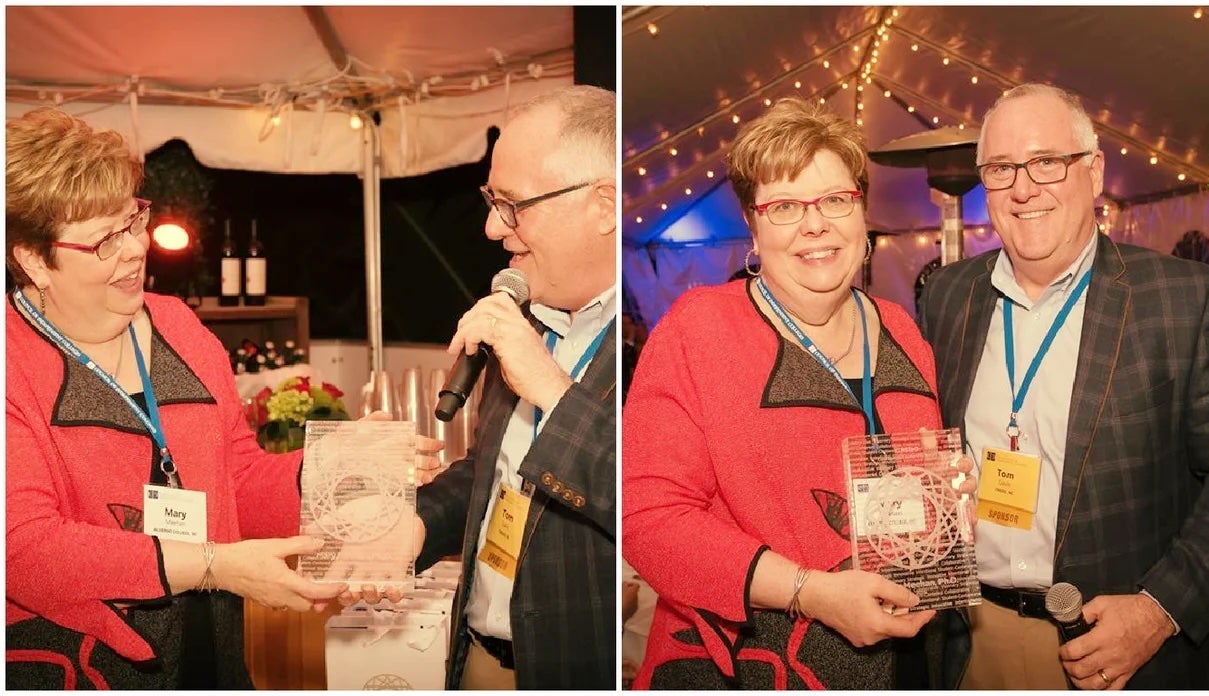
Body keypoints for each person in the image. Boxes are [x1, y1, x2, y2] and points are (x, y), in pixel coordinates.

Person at [622, 97, 975, 689]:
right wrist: (809, 592)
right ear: (753, 224)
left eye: (835, 199)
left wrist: (951, 494)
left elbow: (910, 487)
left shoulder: (903, 330)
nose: (815, 225)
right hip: (755, 666)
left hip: (913, 658)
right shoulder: (700, 329)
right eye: (785, 206)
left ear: (861, 210)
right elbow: (649, 519)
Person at [4, 107, 356, 688]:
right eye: (104, 239)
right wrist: (214, 565)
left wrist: (331, 470)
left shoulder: (178, 327)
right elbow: (24, 549)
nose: (134, 249)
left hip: (211, 654)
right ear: (34, 259)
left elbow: (238, 480)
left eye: (133, 220)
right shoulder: (11, 363)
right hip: (82, 670)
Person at [919, 82, 1209, 690]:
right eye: (1002, 168)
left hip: (1115, 652)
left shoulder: (1185, 301)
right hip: (970, 641)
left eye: (1046, 162)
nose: (1023, 188)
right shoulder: (948, 296)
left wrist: (1161, 609)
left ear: (1093, 171)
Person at [357, 85, 618, 689]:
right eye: (491, 201)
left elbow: (642, 495)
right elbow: (490, 473)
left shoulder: (656, 342)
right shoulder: (526, 320)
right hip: (479, 658)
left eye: (512, 205)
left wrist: (551, 388)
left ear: (605, 206)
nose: (492, 228)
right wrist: (419, 524)